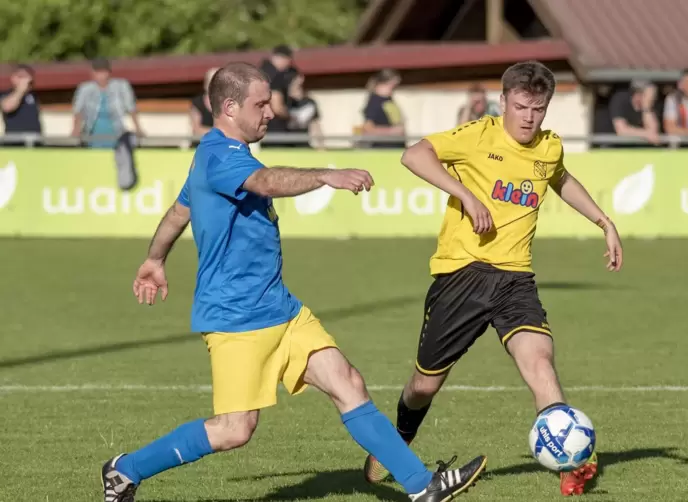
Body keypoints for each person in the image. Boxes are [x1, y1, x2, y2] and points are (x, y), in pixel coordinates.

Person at [100, 62, 486, 502]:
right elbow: (264, 182)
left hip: (282, 310)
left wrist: (154, 259)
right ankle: (124, 470)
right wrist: (325, 175)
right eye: (260, 104)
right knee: (234, 430)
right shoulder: (217, 156)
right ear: (229, 107)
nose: (270, 112)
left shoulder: (226, 155)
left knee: (348, 383)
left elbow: (178, 212)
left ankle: (422, 488)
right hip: (236, 317)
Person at [363, 61, 624, 497]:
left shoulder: (548, 147)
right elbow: (414, 154)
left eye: (538, 109)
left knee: (539, 360)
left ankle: (570, 462)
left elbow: (559, 177)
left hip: (515, 279)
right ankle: (401, 435)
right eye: (521, 106)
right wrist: (464, 194)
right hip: (461, 275)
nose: (528, 117)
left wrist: (604, 221)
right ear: (503, 100)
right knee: (423, 385)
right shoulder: (477, 135)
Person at [72, 58, 144, 148]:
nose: (101, 76)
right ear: (92, 73)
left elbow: (131, 108)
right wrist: (76, 130)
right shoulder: (85, 89)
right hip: (93, 134)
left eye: (103, 72)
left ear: (109, 73)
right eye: (98, 72)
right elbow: (78, 110)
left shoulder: (121, 86)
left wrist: (138, 128)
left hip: (116, 132)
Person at [362, 68, 406, 149]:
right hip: (382, 149)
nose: (393, 89)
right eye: (391, 86)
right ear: (381, 84)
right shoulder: (374, 102)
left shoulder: (390, 100)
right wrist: (391, 131)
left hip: (396, 148)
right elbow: (368, 128)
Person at [608, 79, 660, 146]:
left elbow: (654, 133)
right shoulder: (620, 99)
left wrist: (646, 108)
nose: (652, 99)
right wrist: (646, 134)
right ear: (637, 94)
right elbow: (621, 131)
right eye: (648, 95)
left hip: (639, 148)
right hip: (614, 147)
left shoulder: (649, 106)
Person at [0, 64, 42, 144]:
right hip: (15, 142)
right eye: (22, 77)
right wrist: (21, 90)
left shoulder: (33, 96)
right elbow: (7, 107)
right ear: (14, 78)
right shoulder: (6, 94)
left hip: (34, 141)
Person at [189, 67, 219, 144]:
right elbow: (196, 129)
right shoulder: (197, 103)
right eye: (211, 81)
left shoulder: (228, 104)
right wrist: (219, 134)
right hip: (200, 145)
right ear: (205, 83)